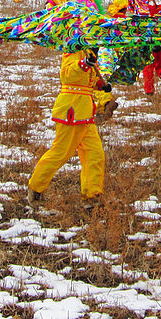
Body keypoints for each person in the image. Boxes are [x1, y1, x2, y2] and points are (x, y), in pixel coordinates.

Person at [28, 49, 110, 207]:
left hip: (86, 112)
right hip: (71, 110)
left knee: (94, 153)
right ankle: (35, 187)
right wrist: (84, 64)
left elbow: (87, 82)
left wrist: (100, 85)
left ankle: (92, 196)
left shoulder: (90, 52)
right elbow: (66, 75)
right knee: (61, 152)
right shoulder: (74, 49)